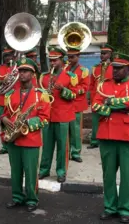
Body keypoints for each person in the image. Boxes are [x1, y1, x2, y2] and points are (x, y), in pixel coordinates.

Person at [92, 53, 129, 224]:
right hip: (107, 135)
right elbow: (95, 105)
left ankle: (124, 209)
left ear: (128, 69)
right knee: (108, 175)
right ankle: (110, 207)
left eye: (119, 68)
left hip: (128, 136)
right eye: (114, 68)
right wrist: (115, 106)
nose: (114, 71)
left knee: (127, 176)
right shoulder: (104, 85)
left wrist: (109, 103)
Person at [0, 58, 50, 212]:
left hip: (30, 140)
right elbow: (4, 114)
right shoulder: (10, 94)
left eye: (25, 71)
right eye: (20, 71)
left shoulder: (41, 94)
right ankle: (17, 197)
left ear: (33, 74)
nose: (21, 74)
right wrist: (4, 119)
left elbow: (45, 118)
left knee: (30, 172)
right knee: (15, 171)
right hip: (13, 139)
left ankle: (32, 199)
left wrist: (26, 124)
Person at [38, 46, 77, 183]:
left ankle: (61, 172)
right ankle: (44, 170)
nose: (53, 63)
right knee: (47, 145)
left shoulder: (70, 77)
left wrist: (63, 90)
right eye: (51, 61)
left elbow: (74, 95)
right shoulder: (44, 77)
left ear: (62, 60)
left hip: (62, 116)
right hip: (47, 115)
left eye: (55, 60)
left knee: (62, 147)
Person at [87, 44, 114, 149]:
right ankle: (94, 141)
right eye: (101, 54)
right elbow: (91, 84)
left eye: (104, 54)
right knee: (95, 121)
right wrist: (89, 97)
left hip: (108, 97)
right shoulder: (95, 68)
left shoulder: (114, 67)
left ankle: (107, 140)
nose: (102, 56)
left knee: (108, 120)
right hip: (96, 97)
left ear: (110, 54)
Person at [65, 47, 89, 163]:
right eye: (68, 57)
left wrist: (71, 91)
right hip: (65, 103)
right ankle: (66, 151)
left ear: (78, 57)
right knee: (66, 130)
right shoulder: (64, 69)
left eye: (72, 57)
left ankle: (75, 152)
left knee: (75, 130)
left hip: (76, 104)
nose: (69, 59)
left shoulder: (83, 71)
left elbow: (84, 87)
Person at [0, 47, 20, 154]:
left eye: (9, 55)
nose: (8, 58)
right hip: (3, 100)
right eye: (5, 56)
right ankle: (5, 145)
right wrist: (2, 81)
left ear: (13, 56)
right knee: (4, 123)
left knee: (17, 121)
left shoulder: (18, 67)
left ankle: (16, 142)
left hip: (16, 99)